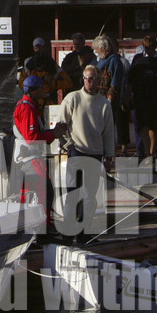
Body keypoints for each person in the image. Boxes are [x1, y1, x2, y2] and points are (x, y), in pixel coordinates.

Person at [58, 64, 116, 242]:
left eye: (92, 78)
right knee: (73, 195)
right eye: (86, 78)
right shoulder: (72, 98)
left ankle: (84, 234)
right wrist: (67, 144)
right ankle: (68, 233)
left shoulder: (105, 104)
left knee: (90, 197)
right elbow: (61, 126)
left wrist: (109, 155)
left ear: (98, 80)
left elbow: (108, 133)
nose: (89, 82)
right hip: (76, 153)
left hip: (95, 154)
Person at [12, 75, 56, 206]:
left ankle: (26, 223)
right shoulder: (27, 108)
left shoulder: (26, 106)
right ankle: (43, 225)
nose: (44, 90)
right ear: (34, 91)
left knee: (27, 193)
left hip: (26, 159)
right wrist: (53, 134)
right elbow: (31, 138)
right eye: (42, 87)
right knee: (45, 192)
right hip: (30, 159)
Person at [94, 37, 133, 155]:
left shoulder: (115, 61)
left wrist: (110, 98)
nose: (96, 52)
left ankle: (116, 150)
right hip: (99, 98)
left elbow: (115, 82)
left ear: (103, 49)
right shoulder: (100, 61)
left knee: (113, 126)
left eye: (97, 50)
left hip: (112, 100)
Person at [129, 36, 157, 161]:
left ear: (155, 47)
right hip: (140, 97)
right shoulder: (138, 59)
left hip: (155, 97)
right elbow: (130, 78)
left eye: (150, 47)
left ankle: (152, 151)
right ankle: (146, 152)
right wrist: (128, 94)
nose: (147, 50)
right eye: (145, 47)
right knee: (143, 125)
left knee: (155, 127)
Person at [59, 32, 95, 97]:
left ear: (83, 43)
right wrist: (78, 68)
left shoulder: (90, 55)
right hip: (73, 88)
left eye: (78, 44)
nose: (76, 47)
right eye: (75, 44)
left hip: (87, 88)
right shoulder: (70, 57)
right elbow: (64, 69)